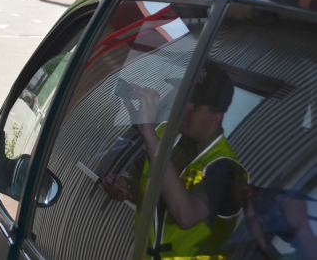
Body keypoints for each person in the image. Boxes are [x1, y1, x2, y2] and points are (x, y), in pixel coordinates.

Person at [104, 62, 248, 259]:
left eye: (195, 106)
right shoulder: (166, 134)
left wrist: (149, 135)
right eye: (184, 99)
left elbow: (186, 216)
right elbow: (157, 190)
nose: (184, 109)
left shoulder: (227, 168)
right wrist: (128, 186)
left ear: (215, 118)